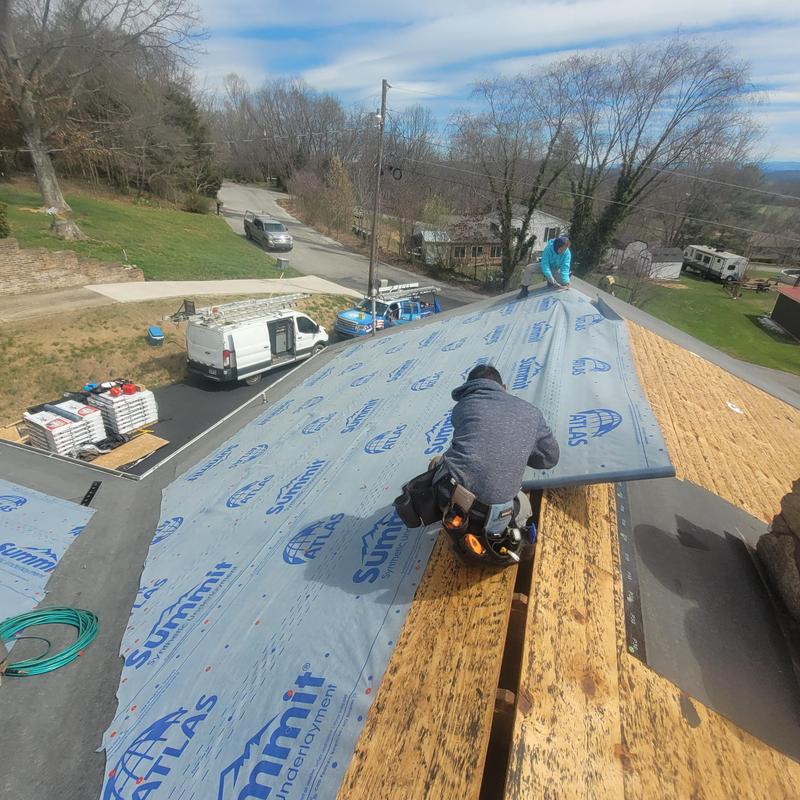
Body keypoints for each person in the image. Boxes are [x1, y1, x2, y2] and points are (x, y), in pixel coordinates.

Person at [394, 364, 559, 566]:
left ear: (469, 388)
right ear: (504, 387)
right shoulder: (532, 413)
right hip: (500, 515)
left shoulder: (463, 406)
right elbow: (550, 459)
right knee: (523, 506)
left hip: (456, 502)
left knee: (438, 461)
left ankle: (457, 524)